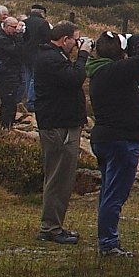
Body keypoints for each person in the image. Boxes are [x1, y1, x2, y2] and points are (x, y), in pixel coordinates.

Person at [87, 32, 139, 257]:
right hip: (120, 142)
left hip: (109, 139)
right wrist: (136, 38)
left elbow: (136, 65)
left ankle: (107, 240)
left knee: (109, 192)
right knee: (114, 195)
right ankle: (108, 244)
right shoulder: (112, 72)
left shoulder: (101, 71)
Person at [34, 21, 92, 245]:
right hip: (58, 126)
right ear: (64, 39)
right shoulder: (51, 59)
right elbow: (74, 78)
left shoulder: (52, 56)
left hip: (60, 123)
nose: (76, 45)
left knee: (60, 177)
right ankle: (50, 228)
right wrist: (83, 55)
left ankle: (53, 225)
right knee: (59, 178)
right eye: (75, 40)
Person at [0, 16, 24, 129]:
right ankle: (5, 125)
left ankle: (10, 124)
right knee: (7, 100)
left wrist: (22, 34)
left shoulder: (10, 37)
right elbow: (15, 51)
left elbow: (23, 47)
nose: (15, 30)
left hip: (13, 72)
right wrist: (18, 37)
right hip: (6, 73)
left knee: (12, 100)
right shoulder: (1, 39)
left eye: (16, 27)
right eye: (13, 27)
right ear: (5, 26)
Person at [21, 4, 50, 116]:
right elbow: (47, 38)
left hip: (24, 54)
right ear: (41, 13)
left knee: (27, 77)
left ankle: (26, 100)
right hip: (37, 54)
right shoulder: (43, 23)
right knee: (34, 78)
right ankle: (30, 102)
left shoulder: (24, 22)